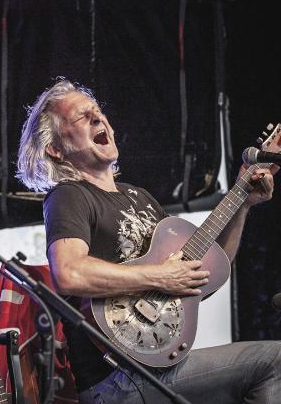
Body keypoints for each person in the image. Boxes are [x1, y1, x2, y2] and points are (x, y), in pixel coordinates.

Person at [16, 78, 280, 404]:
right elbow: (69, 273)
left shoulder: (139, 197)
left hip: (159, 369)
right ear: (56, 148)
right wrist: (160, 275)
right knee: (274, 361)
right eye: (81, 117)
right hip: (117, 378)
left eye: (98, 112)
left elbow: (203, 278)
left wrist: (243, 202)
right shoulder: (69, 196)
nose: (99, 119)